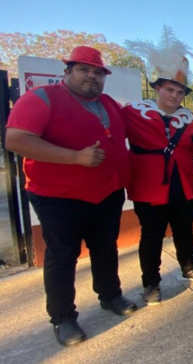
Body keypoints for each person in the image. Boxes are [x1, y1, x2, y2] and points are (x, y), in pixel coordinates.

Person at [5, 46, 136, 346]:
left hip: (107, 192)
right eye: (83, 69)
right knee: (63, 256)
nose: (92, 76)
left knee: (105, 248)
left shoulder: (109, 104)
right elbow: (16, 140)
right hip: (59, 197)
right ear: (67, 72)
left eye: (98, 72)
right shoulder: (41, 98)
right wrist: (75, 157)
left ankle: (110, 296)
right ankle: (63, 318)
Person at [123, 31, 193, 306]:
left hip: (184, 185)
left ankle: (189, 267)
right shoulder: (132, 111)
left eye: (179, 91)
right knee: (151, 235)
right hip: (149, 187)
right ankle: (151, 283)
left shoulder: (192, 120)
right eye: (169, 89)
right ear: (157, 88)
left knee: (184, 229)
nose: (175, 95)